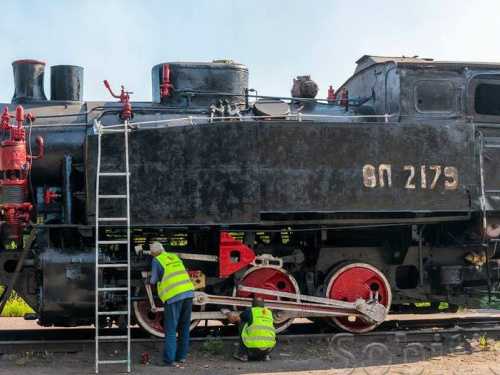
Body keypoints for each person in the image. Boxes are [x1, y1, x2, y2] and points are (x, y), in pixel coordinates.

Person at [147, 241, 195, 367]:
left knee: (171, 329)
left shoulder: (156, 260)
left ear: (153, 253)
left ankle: (169, 360)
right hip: (188, 293)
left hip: (174, 296)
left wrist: (147, 278)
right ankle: (182, 357)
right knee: (184, 327)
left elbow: (153, 281)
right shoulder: (174, 256)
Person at [222, 297, 276, 362]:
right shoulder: (269, 312)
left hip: (253, 349)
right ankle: (265, 355)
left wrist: (226, 311)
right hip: (269, 348)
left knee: (243, 322)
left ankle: (243, 354)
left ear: (252, 305)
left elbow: (233, 320)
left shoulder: (250, 311)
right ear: (264, 305)